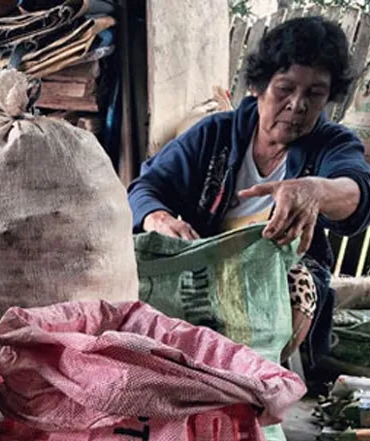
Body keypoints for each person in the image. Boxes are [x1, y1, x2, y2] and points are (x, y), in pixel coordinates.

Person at [128, 16, 370, 370]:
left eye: (314, 94)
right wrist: (158, 219)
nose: (297, 105)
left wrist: (314, 191)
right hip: (201, 279)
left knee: (296, 283)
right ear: (258, 87)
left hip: (280, 299)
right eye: (285, 88)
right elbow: (145, 187)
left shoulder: (331, 144)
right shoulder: (214, 135)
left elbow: (358, 190)